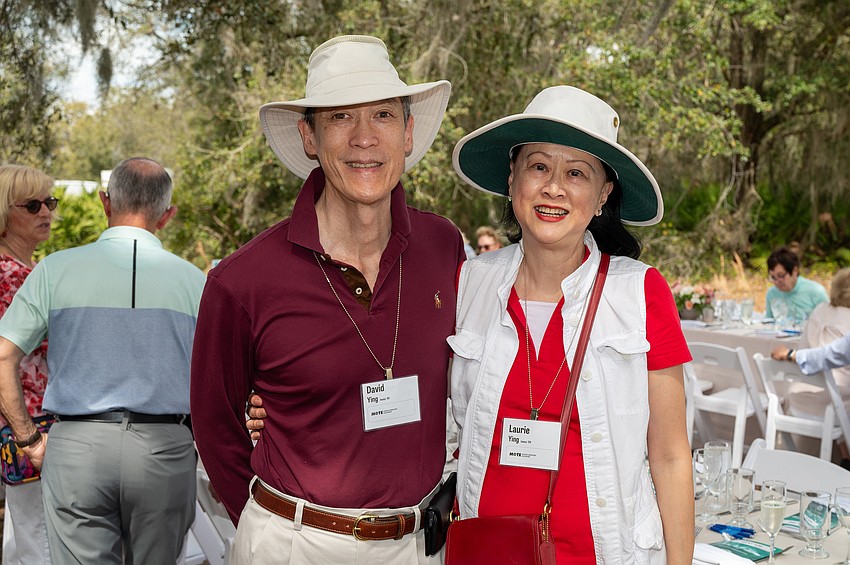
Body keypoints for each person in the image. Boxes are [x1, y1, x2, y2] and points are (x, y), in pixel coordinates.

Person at [190, 35, 464, 564]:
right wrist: (275, 524)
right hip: (295, 544)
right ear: (309, 137)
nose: (365, 138)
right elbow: (215, 425)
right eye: (340, 117)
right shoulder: (243, 280)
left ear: (408, 133)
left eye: (383, 115)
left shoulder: (443, 247)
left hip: (420, 546)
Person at [448, 85, 694, 563]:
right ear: (513, 178)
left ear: (603, 195)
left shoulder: (640, 293)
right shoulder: (468, 283)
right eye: (539, 166)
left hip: (603, 552)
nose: (554, 187)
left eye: (577, 173)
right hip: (485, 550)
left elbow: (670, 456)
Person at [0, 157, 204, 564]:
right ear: (167, 215)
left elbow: (3, 355)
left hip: (77, 447)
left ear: (105, 202)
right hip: (165, 448)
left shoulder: (54, 271)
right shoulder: (197, 282)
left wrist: (27, 439)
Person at [0, 165, 56, 565]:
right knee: (42, 540)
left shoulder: (27, 272)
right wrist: (28, 438)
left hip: (27, 425)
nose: (46, 212)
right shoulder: (11, 277)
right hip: (29, 426)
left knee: (25, 538)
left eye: (50, 202)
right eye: (33, 204)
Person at [764, 246, 828, 321]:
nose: (777, 282)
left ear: (795, 271)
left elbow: (830, 322)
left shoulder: (815, 291)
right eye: (773, 277)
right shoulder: (772, 293)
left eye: (781, 275)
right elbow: (768, 323)